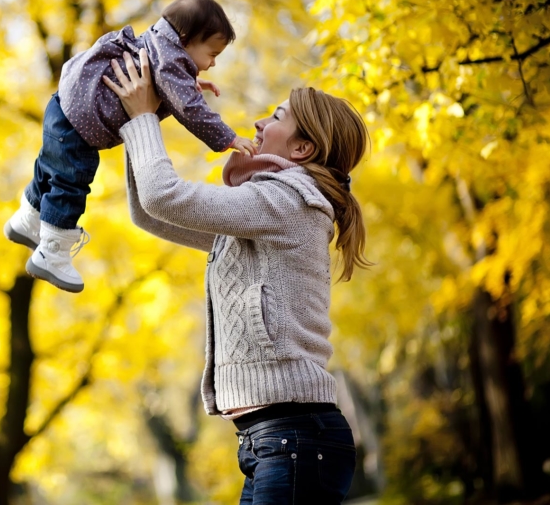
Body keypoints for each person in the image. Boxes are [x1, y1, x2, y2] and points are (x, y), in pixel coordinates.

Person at [103, 46, 370, 504]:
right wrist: (145, 116)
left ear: (302, 148)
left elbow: (164, 195)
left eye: (277, 117)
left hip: (295, 439)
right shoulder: (264, 211)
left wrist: (145, 117)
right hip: (276, 441)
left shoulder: (288, 202)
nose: (260, 124)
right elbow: (151, 212)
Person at [4, 0, 257, 293]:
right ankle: (52, 253)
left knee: (50, 168)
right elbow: (189, 109)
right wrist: (228, 138)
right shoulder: (170, 62)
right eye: (212, 53)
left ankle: (27, 219)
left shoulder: (156, 44)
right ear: (186, 40)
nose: (213, 63)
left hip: (61, 107)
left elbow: (168, 80)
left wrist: (193, 81)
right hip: (82, 123)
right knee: (72, 180)